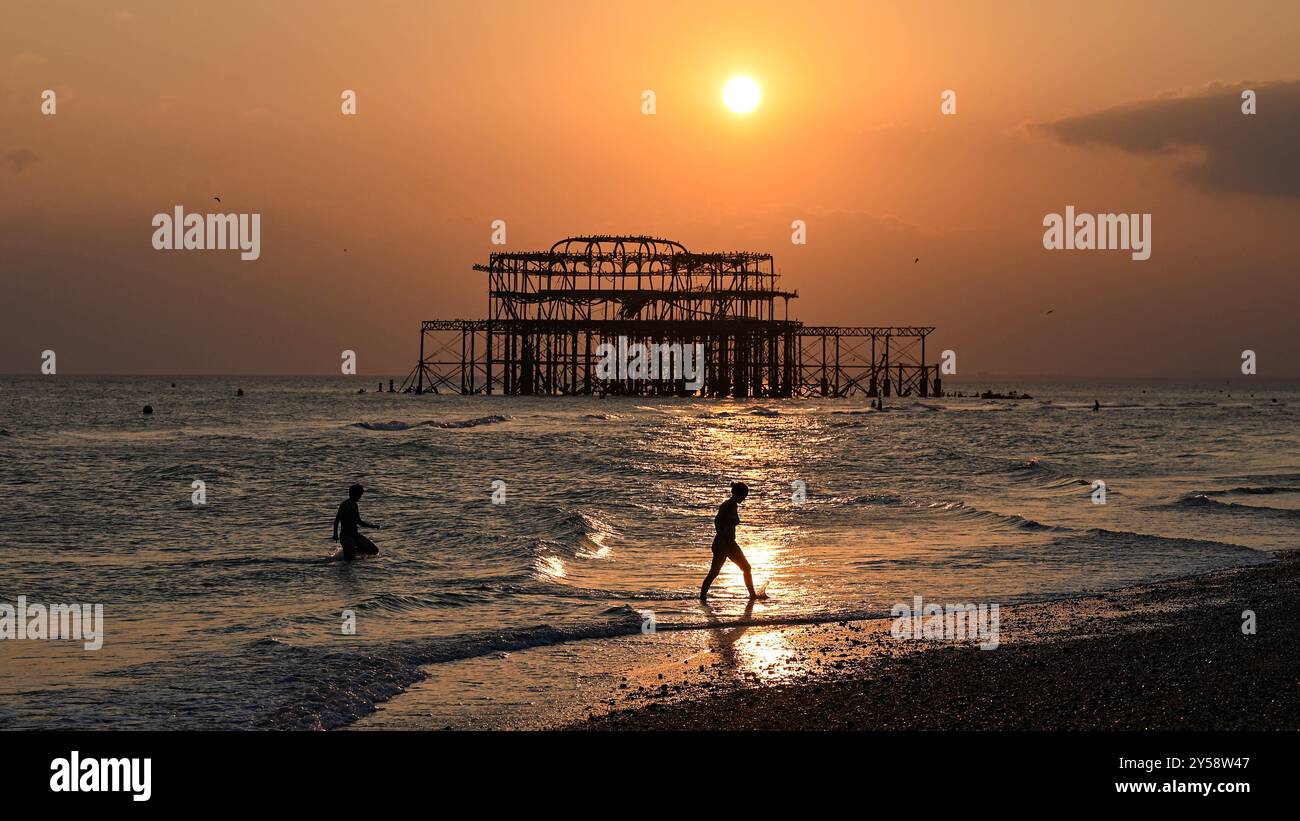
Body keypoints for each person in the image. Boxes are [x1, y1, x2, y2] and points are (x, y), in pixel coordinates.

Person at [700, 482, 765, 601]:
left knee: (746, 567)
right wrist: (722, 535)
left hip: (730, 543)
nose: (744, 499)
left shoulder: (733, 505)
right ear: (737, 494)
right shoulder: (727, 505)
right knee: (714, 572)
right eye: (744, 496)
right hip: (722, 543)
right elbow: (717, 521)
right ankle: (702, 596)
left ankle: (752, 595)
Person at [333, 484, 381, 560]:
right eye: (359, 495)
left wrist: (372, 526)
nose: (360, 497)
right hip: (346, 536)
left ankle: (348, 552)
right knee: (349, 559)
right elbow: (337, 520)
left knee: (374, 550)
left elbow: (359, 521)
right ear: (355, 494)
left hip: (355, 535)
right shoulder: (344, 505)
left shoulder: (355, 505)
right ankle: (346, 554)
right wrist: (335, 534)